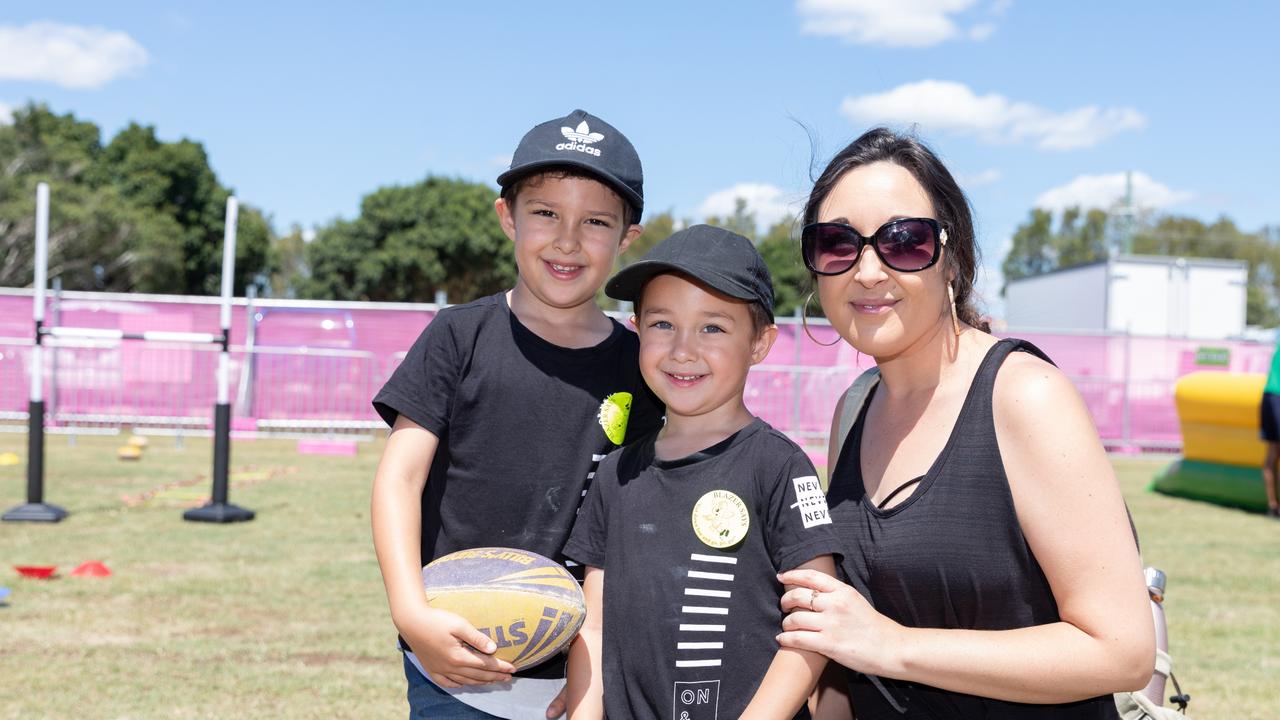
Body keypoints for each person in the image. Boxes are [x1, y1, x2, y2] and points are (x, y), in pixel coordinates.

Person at [774, 127, 1156, 719]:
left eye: (904, 241)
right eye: (837, 243)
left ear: (951, 257)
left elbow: (1121, 651)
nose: (868, 271)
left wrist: (892, 646)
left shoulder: (1024, 396)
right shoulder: (855, 408)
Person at [370, 109, 664, 720]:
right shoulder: (459, 335)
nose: (567, 239)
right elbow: (399, 479)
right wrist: (410, 611)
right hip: (456, 661)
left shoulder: (643, 364)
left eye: (596, 222)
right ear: (508, 217)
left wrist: (600, 667)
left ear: (627, 237)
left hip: (584, 672)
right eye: (546, 213)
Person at [562, 225, 842, 720]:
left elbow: (815, 621)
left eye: (712, 327)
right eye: (663, 324)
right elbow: (595, 628)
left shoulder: (779, 466)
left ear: (760, 343)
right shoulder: (616, 475)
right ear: (637, 330)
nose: (683, 350)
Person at [1261, 339, 1280, 517]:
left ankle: (1273, 505)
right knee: (1273, 453)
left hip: (1270, 395)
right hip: (1276, 396)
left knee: (1273, 453)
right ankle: (1273, 505)